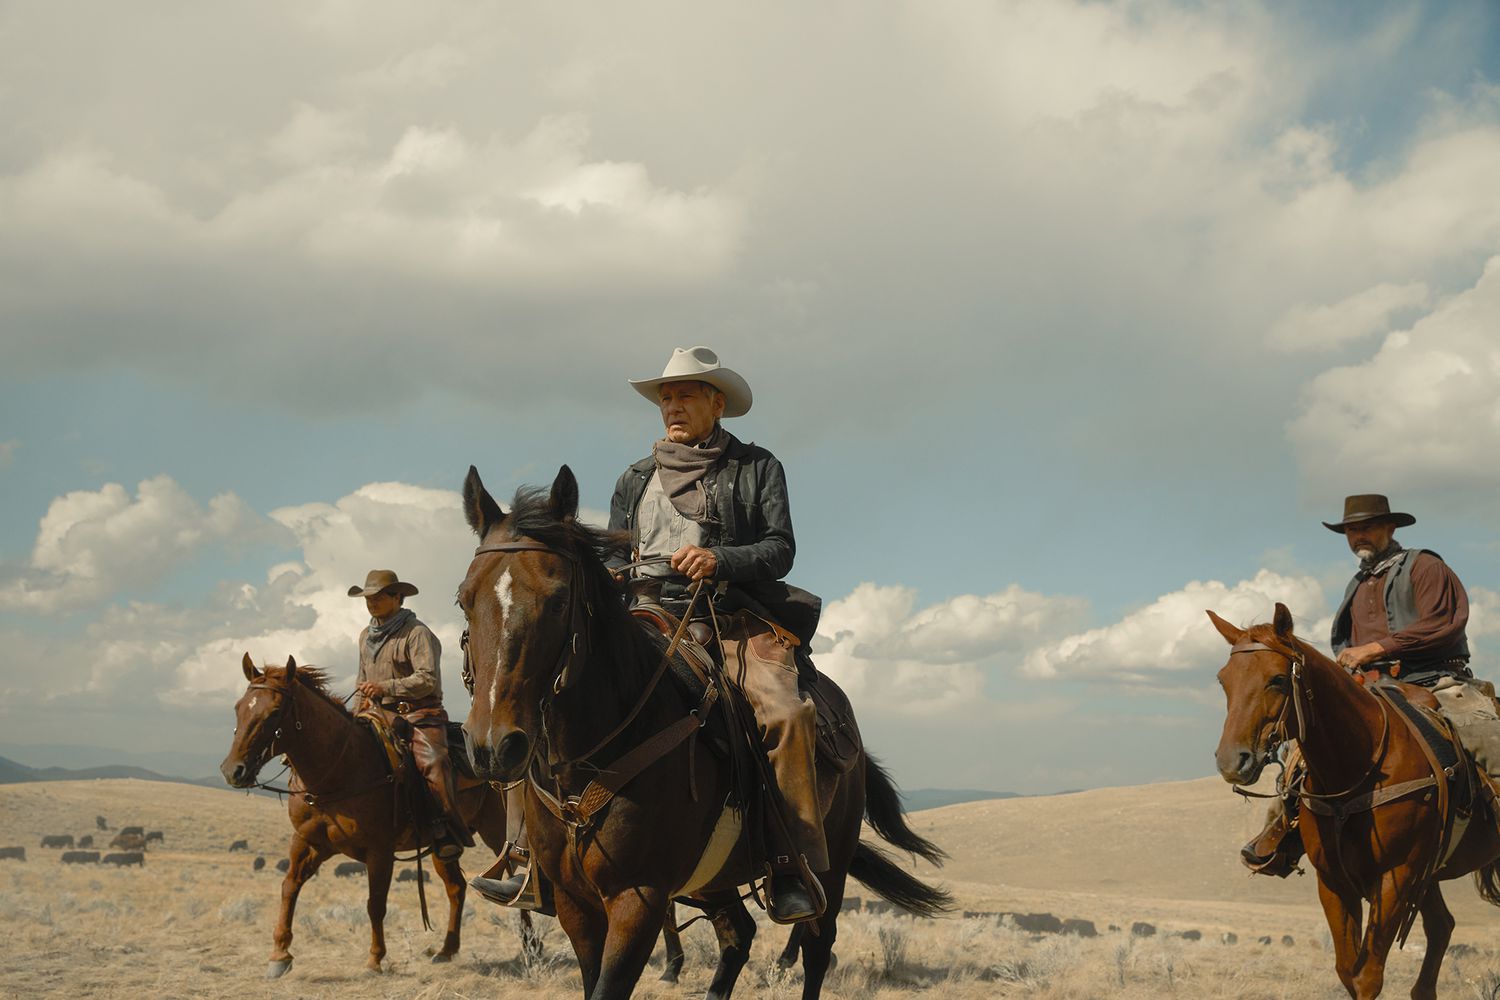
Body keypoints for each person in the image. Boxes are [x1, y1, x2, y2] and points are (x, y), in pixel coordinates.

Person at [472, 346, 827, 923]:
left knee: (785, 714)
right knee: (539, 698)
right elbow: (614, 557)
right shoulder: (634, 478)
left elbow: (779, 548)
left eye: (685, 393)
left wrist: (718, 558)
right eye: (666, 396)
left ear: (718, 403)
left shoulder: (757, 467)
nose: (673, 405)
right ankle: (533, 859)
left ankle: (791, 862)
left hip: (727, 617)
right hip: (642, 615)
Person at [1242, 494, 1472, 876]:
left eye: (1366, 527)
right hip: (1370, 687)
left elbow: (1442, 623)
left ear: (1390, 527)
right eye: (1351, 529)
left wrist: (1377, 648)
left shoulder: (1426, 567)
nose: (1358, 535)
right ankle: (1284, 832)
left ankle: (1489, 823)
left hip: (1434, 679)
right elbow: (1348, 645)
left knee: (1486, 739)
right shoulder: (1358, 583)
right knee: (1300, 756)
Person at [349, 569, 474, 859]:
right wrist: (356, 715)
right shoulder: (365, 636)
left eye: (378, 597)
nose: (371, 602)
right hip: (377, 717)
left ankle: (444, 828)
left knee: (434, 764)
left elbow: (427, 679)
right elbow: (360, 682)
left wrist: (385, 687)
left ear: (397, 597)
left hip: (419, 716)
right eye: (368, 597)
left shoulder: (417, 633)